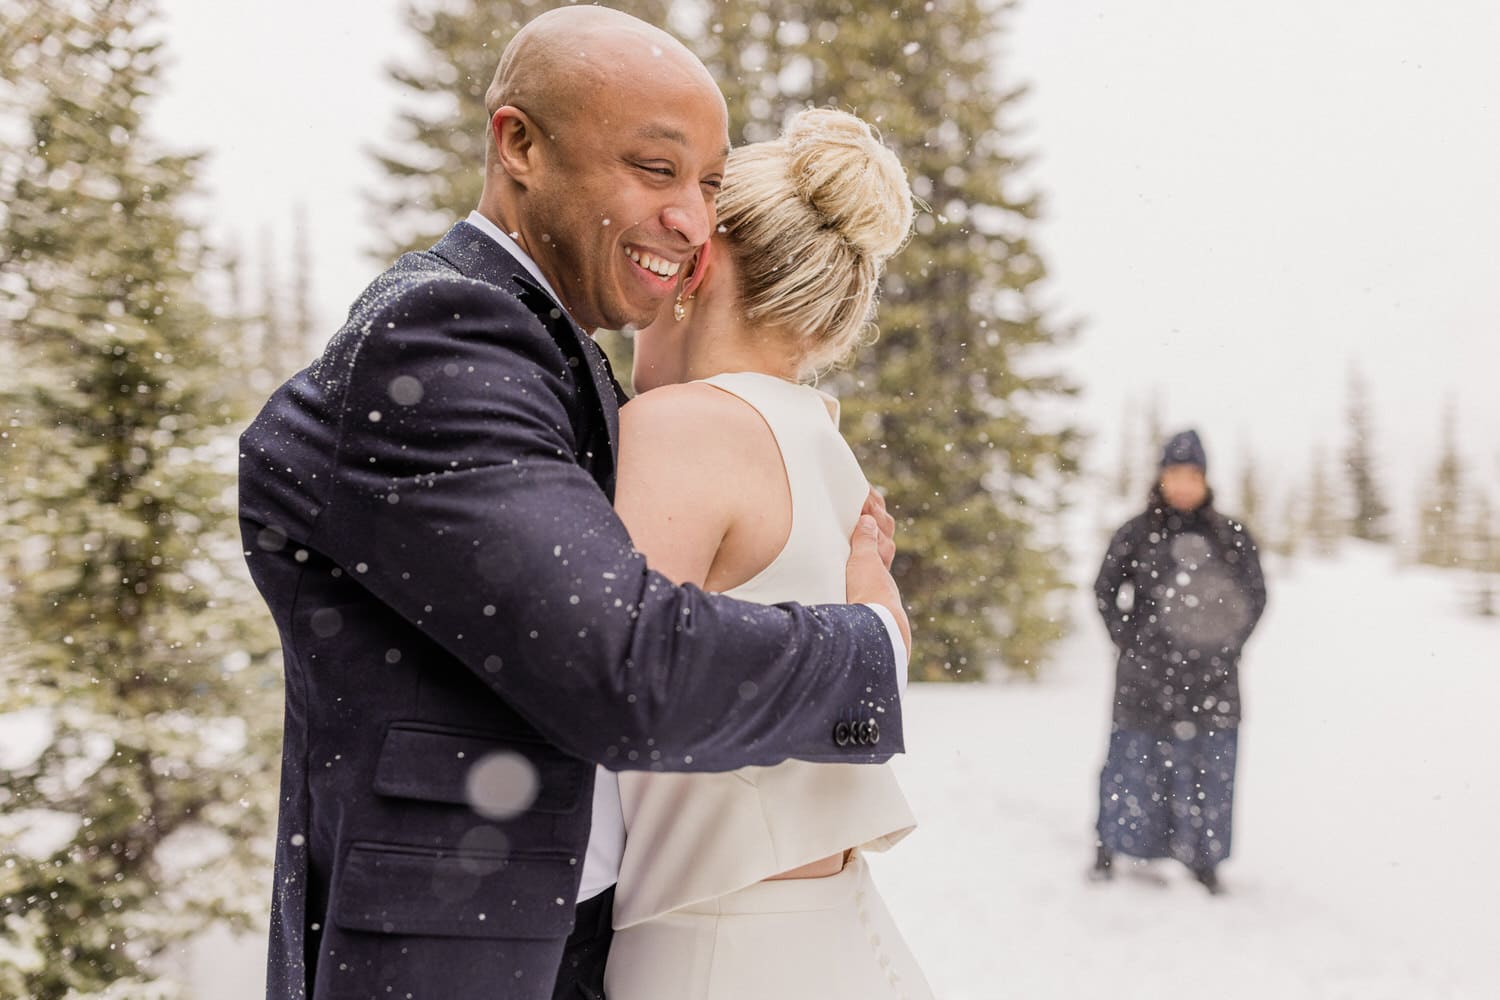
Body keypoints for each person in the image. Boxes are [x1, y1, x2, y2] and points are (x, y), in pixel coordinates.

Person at [236, 9, 912, 1000]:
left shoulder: (575, 373)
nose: (687, 217)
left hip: (568, 939)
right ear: (518, 144)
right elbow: (623, 666)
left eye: (710, 187)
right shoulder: (447, 328)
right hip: (462, 949)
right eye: (656, 168)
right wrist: (868, 645)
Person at [600, 109, 933, 999]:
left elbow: (599, 694)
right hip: (835, 929)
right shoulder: (820, 439)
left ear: (696, 265)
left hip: (714, 950)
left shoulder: (679, 429)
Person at [1090, 430, 1267, 894]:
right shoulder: (1137, 531)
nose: (1183, 484)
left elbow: (1256, 594)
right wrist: (1127, 640)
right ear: (1161, 476)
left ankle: (1203, 858)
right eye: (1175, 473)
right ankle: (1112, 844)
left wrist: (1230, 645)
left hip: (1213, 681)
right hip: (1145, 677)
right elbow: (1105, 588)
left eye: (1192, 474)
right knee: (1132, 762)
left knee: (1209, 768)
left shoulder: (1230, 535)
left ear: (1205, 479)